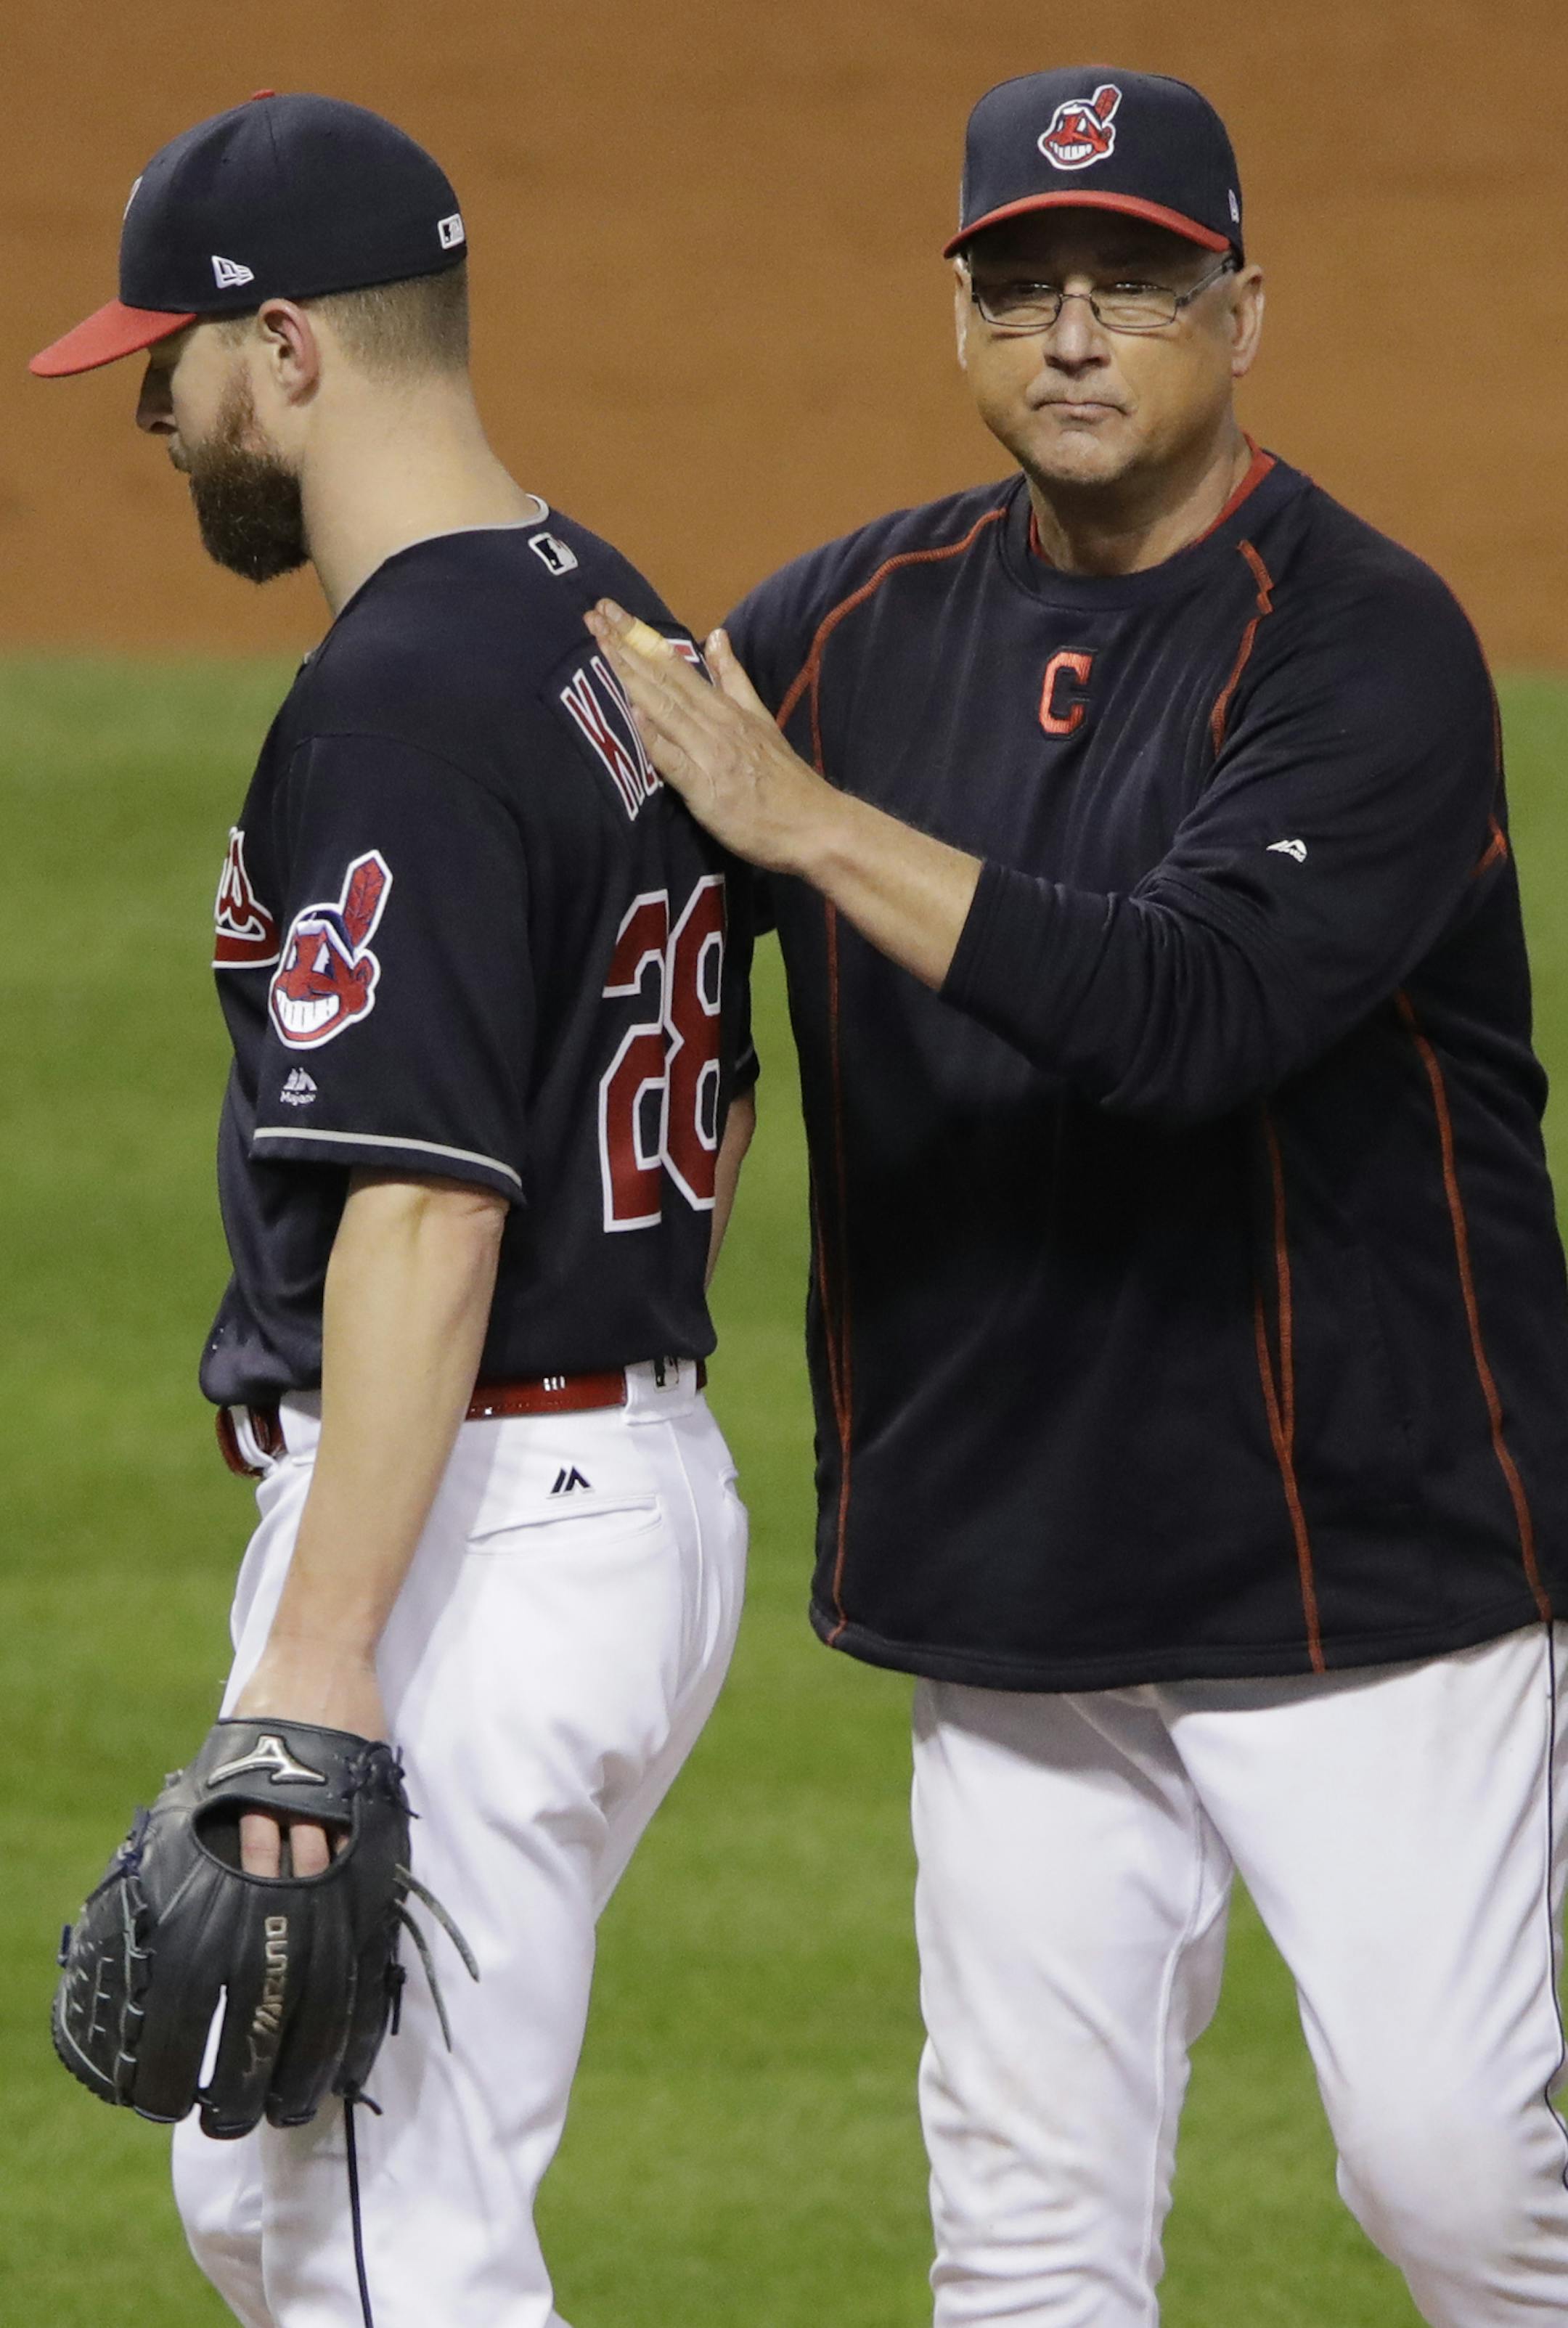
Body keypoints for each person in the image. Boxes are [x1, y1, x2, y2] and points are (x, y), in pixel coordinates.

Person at [587, 64, 1568, 2328]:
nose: (1073, 335)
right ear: (960, 325)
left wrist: (812, 828)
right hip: (1016, 1567)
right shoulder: (848, 626)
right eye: (1020, 286)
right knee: (1026, 2245)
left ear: (1244, 307)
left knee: (1453, 2179)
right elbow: (614, 895)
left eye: (1133, 281)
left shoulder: (1365, 646)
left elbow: (1190, 1011)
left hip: (1365, 1578)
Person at [32, 91, 753, 2328]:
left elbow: (426, 1215)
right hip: (590, 1480)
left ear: (291, 349)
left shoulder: (403, 704)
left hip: (476, 1518)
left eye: (176, 353)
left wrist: (324, 1667)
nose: (153, 406)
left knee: (385, 2253)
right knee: (270, 2202)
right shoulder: (590, 604)